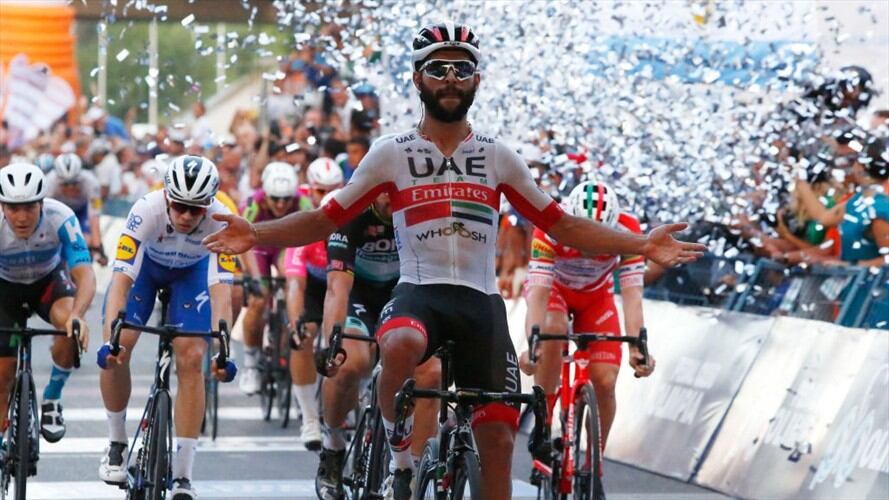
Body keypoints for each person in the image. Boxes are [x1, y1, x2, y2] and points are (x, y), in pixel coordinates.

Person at [203, 21, 704, 500]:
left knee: (500, 446)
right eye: (438, 68)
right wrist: (256, 233)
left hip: (481, 308)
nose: (450, 79)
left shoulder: (499, 156)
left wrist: (639, 245)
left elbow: (563, 225)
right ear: (417, 77)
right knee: (399, 341)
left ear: (477, 80)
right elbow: (324, 219)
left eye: (462, 70)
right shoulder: (389, 154)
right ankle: (400, 454)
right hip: (419, 294)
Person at [97, 155, 234, 500]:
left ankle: (184, 473)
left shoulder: (222, 220)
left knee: (191, 358)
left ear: (208, 206)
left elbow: (222, 290)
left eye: (196, 209)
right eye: (180, 207)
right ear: (167, 196)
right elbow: (121, 279)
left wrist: (224, 347)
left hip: (192, 276)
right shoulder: (146, 209)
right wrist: (111, 336)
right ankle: (116, 441)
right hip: (146, 271)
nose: (187, 216)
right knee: (120, 345)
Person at [313, 190, 440, 500]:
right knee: (350, 362)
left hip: (402, 295)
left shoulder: (421, 213)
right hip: (358, 295)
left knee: (430, 375)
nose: (388, 199)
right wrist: (332, 340)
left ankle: (414, 474)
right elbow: (337, 288)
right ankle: (332, 447)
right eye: (381, 192)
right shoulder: (351, 211)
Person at [519, 180, 655, 458]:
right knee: (553, 329)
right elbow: (538, 294)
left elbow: (632, 296)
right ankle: (543, 418)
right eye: (585, 236)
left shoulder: (629, 230)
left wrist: (637, 348)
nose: (592, 245)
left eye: (600, 236)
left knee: (605, 381)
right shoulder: (551, 226)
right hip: (554, 289)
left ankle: (595, 462)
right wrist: (533, 344)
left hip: (596, 297)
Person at [0, 163, 94, 445]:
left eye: (29, 207)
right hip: (5, 290)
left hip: (47, 283)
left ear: (42, 203)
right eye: (13, 208)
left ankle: (52, 398)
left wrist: (79, 314)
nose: (21, 217)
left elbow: (85, 272)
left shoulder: (61, 217)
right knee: (3, 373)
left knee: (70, 326)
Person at [238, 162, 313, 396]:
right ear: (265, 195)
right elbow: (242, 243)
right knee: (258, 300)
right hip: (257, 247)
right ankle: (251, 363)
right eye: (275, 199)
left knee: (289, 278)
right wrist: (256, 279)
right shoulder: (253, 203)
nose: (281, 204)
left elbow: (310, 237)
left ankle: (284, 337)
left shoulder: (303, 203)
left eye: (285, 199)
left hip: (285, 246)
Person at [46, 153, 107, 265]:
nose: (70, 188)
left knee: (86, 240)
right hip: (59, 210)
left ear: (80, 177)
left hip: (82, 211)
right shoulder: (49, 182)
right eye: (65, 184)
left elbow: (94, 216)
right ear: (58, 179)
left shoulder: (91, 182)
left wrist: (98, 246)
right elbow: (45, 216)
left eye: (74, 183)